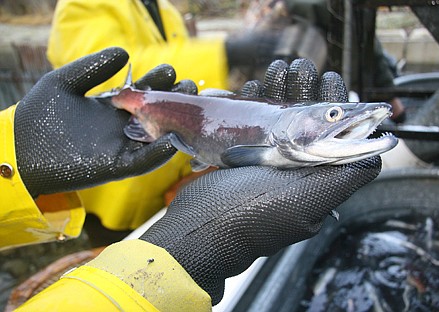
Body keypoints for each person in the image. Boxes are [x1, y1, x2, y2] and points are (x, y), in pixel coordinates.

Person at [2, 48, 381, 310]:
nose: (341, 119)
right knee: (107, 237)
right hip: (114, 210)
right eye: (333, 114)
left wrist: (9, 159)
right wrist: (180, 256)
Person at [46, 0, 280, 238]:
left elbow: (180, 84)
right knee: (121, 257)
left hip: (163, 181)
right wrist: (226, 52)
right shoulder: (81, 5)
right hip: (114, 187)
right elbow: (107, 75)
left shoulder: (164, 9)